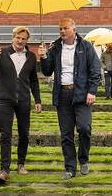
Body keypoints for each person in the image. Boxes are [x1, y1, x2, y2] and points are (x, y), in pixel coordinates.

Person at [39, 18, 101, 179]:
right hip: (62, 94)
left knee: (84, 128)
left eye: (65, 28)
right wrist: (44, 57)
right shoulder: (55, 48)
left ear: (74, 29)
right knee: (66, 134)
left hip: (81, 94)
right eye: (60, 29)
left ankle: (84, 159)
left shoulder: (85, 46)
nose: (62, 31)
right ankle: (70, 168)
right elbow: (47, 71)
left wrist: (92, 91)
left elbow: (95, 69)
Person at [0, 26, 42, 184]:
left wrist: (37, 100)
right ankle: (4, 169)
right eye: (18, 38)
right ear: (13, 37)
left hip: (23, 100)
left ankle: (21, 164)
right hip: (5, 100)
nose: (21, 41)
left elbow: (34, 80)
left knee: (24, 133)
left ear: (27, 41)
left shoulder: (31, 56)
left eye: (24, 39)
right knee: (6, 134)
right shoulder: (1, 53)